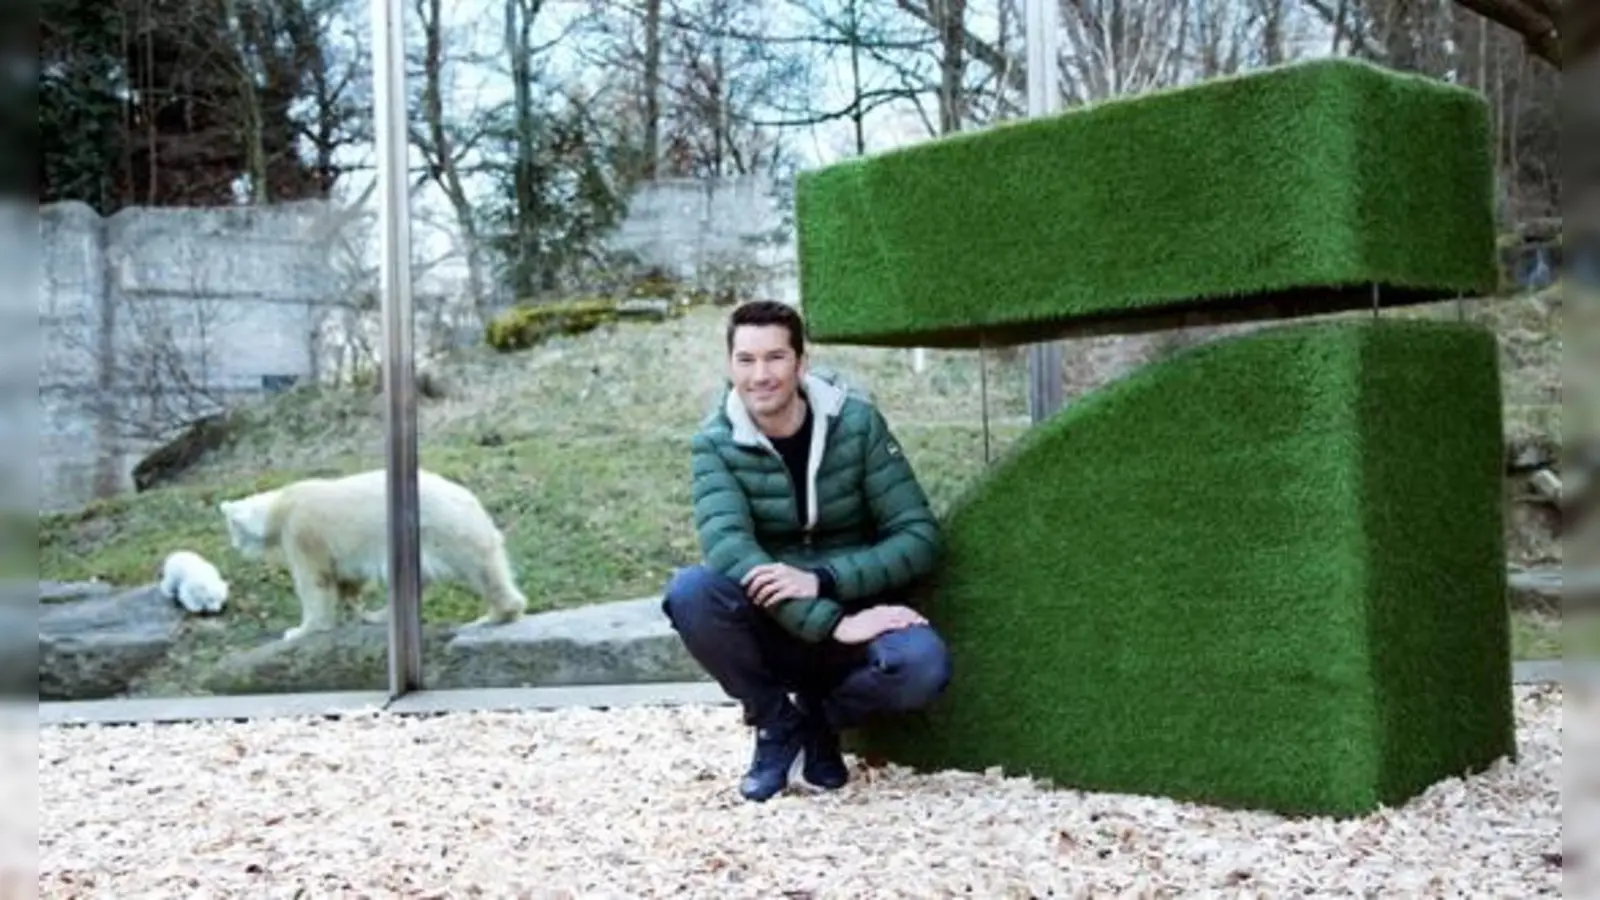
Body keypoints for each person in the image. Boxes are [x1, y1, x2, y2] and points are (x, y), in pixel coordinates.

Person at [661, 299, 953, 802]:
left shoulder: (857, 425)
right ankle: (777, 723)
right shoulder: (714, 442)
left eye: (775, 357)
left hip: (858, 609)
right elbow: (729, 548)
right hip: (779, 618)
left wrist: (825, 583)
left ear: (801, 363)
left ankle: (818, 721)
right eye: (746, 360)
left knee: (922, 667)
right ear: (730, 366)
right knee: (691, 592)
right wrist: (828, 621)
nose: (760, 375)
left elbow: (918, 536)